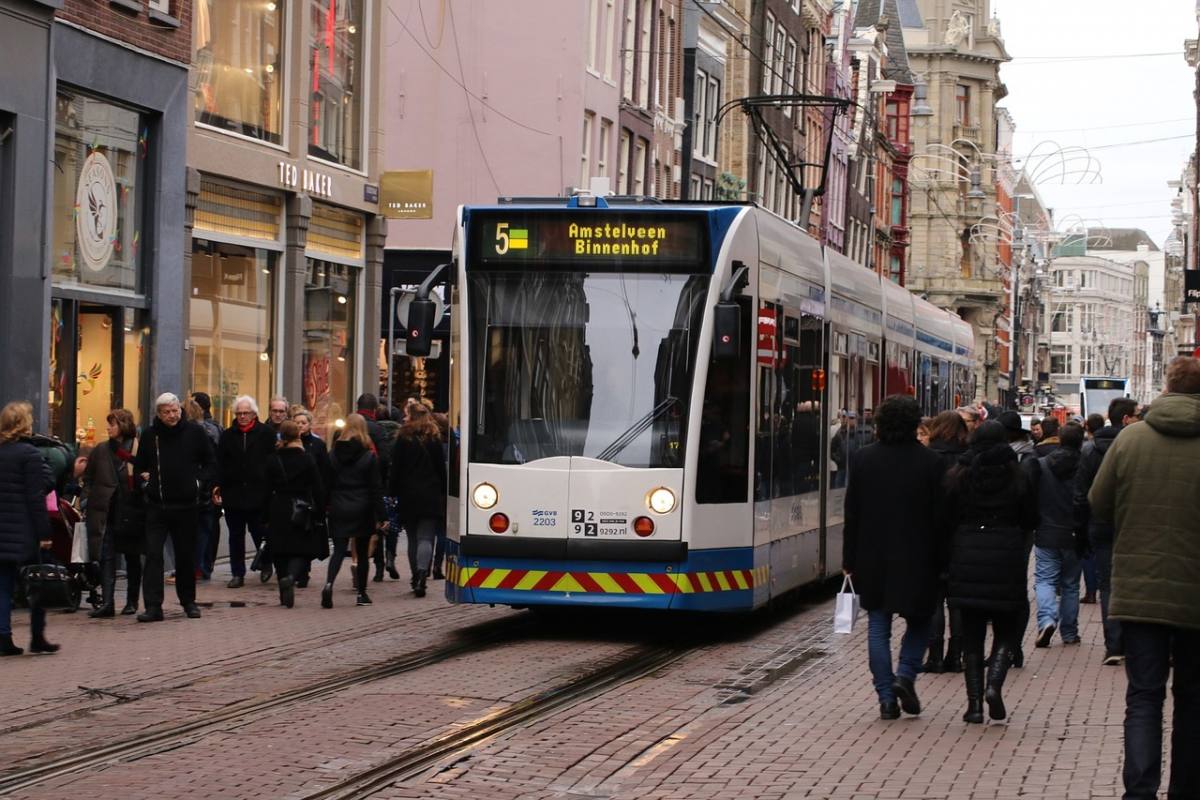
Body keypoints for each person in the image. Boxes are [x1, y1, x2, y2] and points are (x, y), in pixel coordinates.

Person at [1088, 357, 1200, 800]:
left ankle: (1140, 789)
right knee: (1192, 698)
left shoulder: (1131, 439)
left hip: (1139, 589)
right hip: (1195, 593)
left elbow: (1099, 502)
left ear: (1167, 388)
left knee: (1144, 696)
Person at [842, 395, 947, 720]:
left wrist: (849, 559)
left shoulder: (862, 460)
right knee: (920, 621)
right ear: (916, 423)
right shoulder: (932, 462)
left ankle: (886, 697)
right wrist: (943, 559)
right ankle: (906, 674)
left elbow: (853, 513)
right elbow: (940, 517)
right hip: (919, 556)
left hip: (872, 555)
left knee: (878, 626)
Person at [945, 420, 1038, 723]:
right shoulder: (1018, 476)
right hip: (1006, 557)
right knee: (1006, 629)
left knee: (971, 636)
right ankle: (994, 686)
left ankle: (973, 705)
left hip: (967, 554)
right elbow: (1031, 518)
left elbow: (946, 517)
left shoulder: (960, 475)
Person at [133, 393, 214, 622]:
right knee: (153, 555)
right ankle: (152, 606)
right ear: (159, 413)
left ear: (181, 409)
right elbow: (139, 467)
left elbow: (210, 462)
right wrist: (146, 482)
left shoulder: (195, 433)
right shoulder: (150, 435)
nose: (172, 415)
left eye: (175, 410)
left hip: (187, 505)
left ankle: (188, 601)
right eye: (167, 412)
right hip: (157, 506)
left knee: (185, 556)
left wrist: (199, 483)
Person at [1074, 395, 1139, 666]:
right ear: (1126, 419)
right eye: (1136, 415)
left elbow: (1081, 494)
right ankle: (1134, 642)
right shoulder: (1136, 445)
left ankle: (1113, 645)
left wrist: (1082, 528)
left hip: (1100, 525)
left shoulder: (1089, 451)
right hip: (1131, 524)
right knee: (1134, 583)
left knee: (1107, 585)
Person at [0, 402, 58, 656]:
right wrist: (45, 533)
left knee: (2, 585)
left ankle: (3, 637)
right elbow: (36, 497)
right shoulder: (30, 454)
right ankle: (37, 636)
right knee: (39, 580)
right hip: (24, 529)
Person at [1031, 422, 1086, 649]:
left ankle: (1046, 619)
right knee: (1071, 585)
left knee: (1044, 579)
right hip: (1074, 531)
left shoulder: (1042, 464)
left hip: (1047, 529)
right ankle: (1070, 632)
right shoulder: (1085, 464)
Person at [923, 410, 970, 673]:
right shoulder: (968, 459)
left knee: (935, 599)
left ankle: (935, 655)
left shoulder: (928, 459)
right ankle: (956, 654)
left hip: (932, 537)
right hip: (962, 538)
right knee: (957, 600)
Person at [83, 410, 142, 617]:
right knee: (106, 556)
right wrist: (88, 498)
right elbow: (88, 478)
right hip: (105, 511)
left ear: (124, 425)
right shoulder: (100, 450)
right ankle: (107, 603)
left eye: (113, 424)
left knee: (132, 556)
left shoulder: (137, 448)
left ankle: (131, 601)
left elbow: (146, 475)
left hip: (130, 510)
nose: (108, 428)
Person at [214, 396, 277, 588]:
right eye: (239, 413)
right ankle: (237, 573)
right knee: (236, 535)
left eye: (246, 413)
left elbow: (272, 461)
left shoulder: (266, 433)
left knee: (259, 532)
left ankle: (266, 562)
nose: (242, 416)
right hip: (233, 493)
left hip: (259, 492)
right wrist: (218, 485)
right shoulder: (227, 435)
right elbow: (220, 462)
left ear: (253, 414)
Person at [324, 414, 386, 608]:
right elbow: (375, 488)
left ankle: (328, 584)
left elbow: (326, 482)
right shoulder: (368, 456)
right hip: (362, 506)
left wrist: (326, 505)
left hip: (339, 504)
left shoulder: (333, 454)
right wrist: (382, 515)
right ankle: (361, 593)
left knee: (339, 549)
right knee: (361, 551)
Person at [263, 421, 324, 608]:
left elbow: (265, 488)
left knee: (279, 549)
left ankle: (284, 589)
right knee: (303, 548)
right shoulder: (306, 459)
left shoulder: (273, 459)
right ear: (297, 436)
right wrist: (320, 510)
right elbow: (317, 487)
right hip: (302, 507)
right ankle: (291, 576)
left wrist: (265, 513)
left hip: (278, 506)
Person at [389, 403, 448, 598]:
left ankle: (416, 576)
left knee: (413, 538)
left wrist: (392, 491)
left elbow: (395, 467)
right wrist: (444, 491)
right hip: (430, 494)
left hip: (409, 494)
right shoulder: (434, 438)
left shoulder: (403, 437)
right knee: (426, 537)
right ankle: (423, 572)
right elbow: (441, 468)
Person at [372, 404, 403, 583]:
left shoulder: (374, 435)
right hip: (393, 488)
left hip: (378, 486)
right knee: (393, 527)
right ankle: (391, 557)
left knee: (378, 528)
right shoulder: (398, 436)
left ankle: (379, 567)